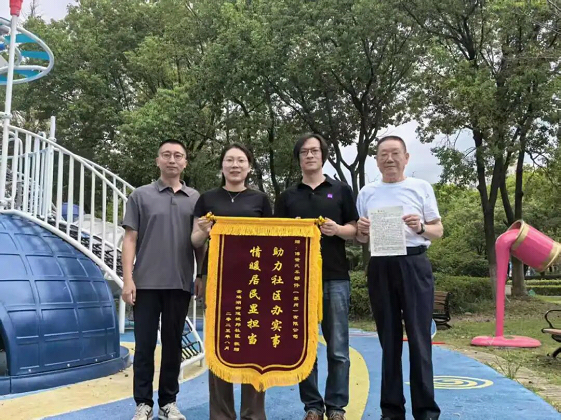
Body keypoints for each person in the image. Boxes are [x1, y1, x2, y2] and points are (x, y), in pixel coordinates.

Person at [355, 135, 443, 420]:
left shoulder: (421, 187)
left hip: (414, 263)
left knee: (419, 338)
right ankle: (391, 411)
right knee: (388, 340)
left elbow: (438, 230)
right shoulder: (367, 192)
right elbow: (360, 238)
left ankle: (426, 411)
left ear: (406, 158)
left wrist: (420, 227)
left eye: (395, 153)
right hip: (380, 265)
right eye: (383, 154)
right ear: (376, 160)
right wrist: (362, 231)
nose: (389, 159)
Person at [274, 133, 358, 420]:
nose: (310, 156)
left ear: (323, 155)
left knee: (338, 348)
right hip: (298, 281)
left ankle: (336, 406)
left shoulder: (341, 190)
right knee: (304, 347)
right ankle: (312, 405)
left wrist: (338, 230)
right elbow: (276, 238)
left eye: (314, 151)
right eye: (304, 152)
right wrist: (292, 232)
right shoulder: (287, 197)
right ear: (298, 158)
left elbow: (355, 230)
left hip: (335, 277)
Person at [122, 139, 204, 420]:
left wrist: (200, 275)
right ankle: (143, 403)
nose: (172, 160)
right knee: (144, 347)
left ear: (185, 163)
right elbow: (129, 239)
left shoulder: (195, 198)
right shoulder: (140, 196)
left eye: (178, 155)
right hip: (145, 284)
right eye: (166, 155)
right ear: (157, 160)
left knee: (173, 347)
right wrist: (127, 279)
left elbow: (200, 242)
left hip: (180, 283)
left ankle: (168, 402)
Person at [191, 143, 272, 420]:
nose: (235, 165)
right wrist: (204, 232)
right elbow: (195, 241)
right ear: (222, 165)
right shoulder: (207, 199)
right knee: (219, 345)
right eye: (229, 160)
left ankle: (253, 413)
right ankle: (221, 414)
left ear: (249, 166)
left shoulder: (260, 200)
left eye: (240, 160)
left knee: (255, 346)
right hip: (217, 279)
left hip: (254, 281)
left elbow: (272, 241)